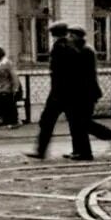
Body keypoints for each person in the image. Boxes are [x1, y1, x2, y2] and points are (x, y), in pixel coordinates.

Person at [66, 27, 111, 156]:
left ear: (77, 37)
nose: (69, 38)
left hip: (85, 93)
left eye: (71, 36)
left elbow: (81, 74)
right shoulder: (80, 49)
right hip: (80, 92)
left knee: (82, 122)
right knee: (76, 122)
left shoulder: (85, 51)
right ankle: (79, 150)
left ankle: (110, 136)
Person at [28, 24, 79, 159]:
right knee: (74, 123)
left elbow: (58, 73)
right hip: (70, 92)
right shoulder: (71, 47)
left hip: (59, 92)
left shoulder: (59, 48)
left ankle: (41, 150)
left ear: (54, 34)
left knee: (47, 121)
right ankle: (77, 150)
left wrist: (55, 93)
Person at [0, 47, 20, 128]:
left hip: (7, 86)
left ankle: (12, 121)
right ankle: (2, 120)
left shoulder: (7, 63)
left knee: (8, 102)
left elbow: (13, 76)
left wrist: (15, 87)